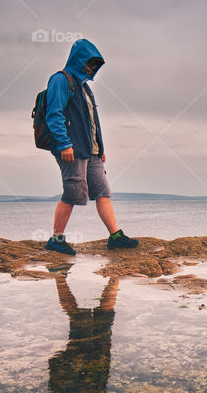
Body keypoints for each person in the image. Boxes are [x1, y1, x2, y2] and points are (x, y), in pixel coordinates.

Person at [43, 38, 139, 254]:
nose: (91, 67)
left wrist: (101, 149)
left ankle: (115, 236)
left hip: (92, 151)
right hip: (72, 149)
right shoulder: (61, 79)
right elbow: (54, 114)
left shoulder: (85, 88)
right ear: (79, 59)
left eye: (94, 63)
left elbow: (92, 121)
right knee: (72, 193)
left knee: (103, 191)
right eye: (89, 62)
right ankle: (56, 240)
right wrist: (64, 144)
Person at [47, 267, 119, 393]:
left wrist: (72, 360)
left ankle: (60, 278)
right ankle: (114, 278)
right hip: (96, 353)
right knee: (101, 314)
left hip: (83, 353)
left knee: (80, 315)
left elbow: (57, 374)